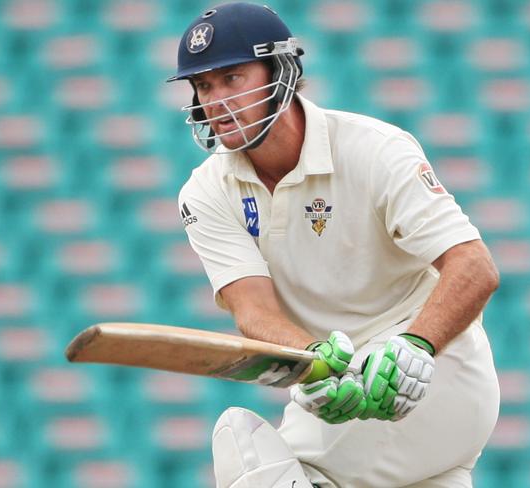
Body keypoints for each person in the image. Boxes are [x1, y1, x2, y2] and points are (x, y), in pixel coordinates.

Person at [168, 3, 501, 487]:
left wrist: (416, 345)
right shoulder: (207, 191)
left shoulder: (375, 149)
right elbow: (253, 311)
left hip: (430, 372)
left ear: (282, 71)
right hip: (343, 387)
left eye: (233, 78)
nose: (216, 101)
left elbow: (474, 266)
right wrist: (314, 360)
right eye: (204, 86)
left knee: (245, 453)